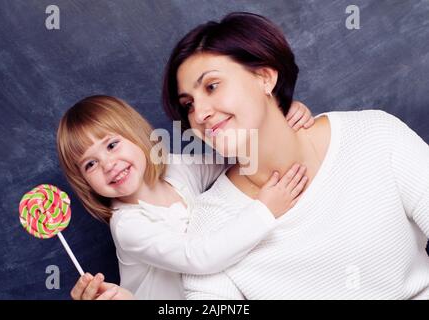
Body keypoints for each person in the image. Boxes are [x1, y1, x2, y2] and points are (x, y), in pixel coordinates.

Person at [160, 12, 429, 299]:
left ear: (265, 77)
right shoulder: (211, 225)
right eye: (188, 104)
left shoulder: (373, 135)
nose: (200, 114)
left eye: (212, 86)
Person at [57, 95, 314, 299]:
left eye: (112, 145)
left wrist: (280, 120)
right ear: (84, 182)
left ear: (136, 134)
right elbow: (199, 257)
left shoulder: (175, 167)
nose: (108, 164)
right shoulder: (128, 225)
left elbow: (237, 156)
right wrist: (264, 211)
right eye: (90, 164)